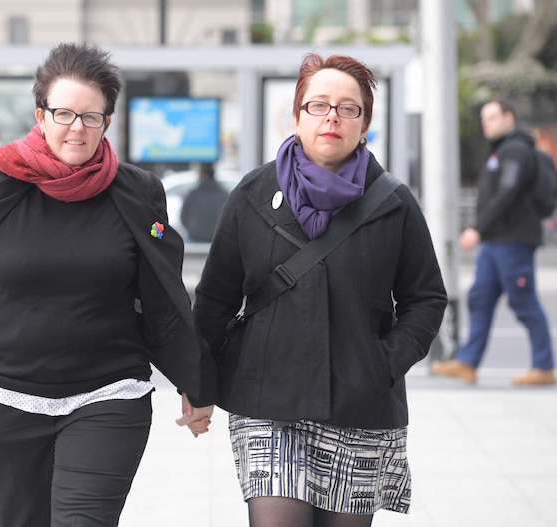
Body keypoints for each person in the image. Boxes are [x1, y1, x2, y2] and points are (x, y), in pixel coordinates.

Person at [0, 43, 216, 527]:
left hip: (109, 395)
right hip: (5, 398)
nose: (77, 127)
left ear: (107, 123)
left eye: (92, 117)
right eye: (64, 113)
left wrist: (193, 379)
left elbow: (161, 296)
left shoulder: (138, 192)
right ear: (40, 115)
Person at [188, 53, 447, 527]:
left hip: (360, 403)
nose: (332, 116)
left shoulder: (392, 201)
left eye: (348, 108)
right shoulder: (251, 193)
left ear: (365, 123)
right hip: (266, 402)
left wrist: (383, 363)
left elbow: (426, 298)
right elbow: (215, 299)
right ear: (296, 116)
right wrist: (198, 383)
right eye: (318, 105)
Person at [432, 99, 556, 386]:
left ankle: (544, 366)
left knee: (523, 302)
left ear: (509, 117)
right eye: (484, 118)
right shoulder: (502, 150)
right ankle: (467, 362)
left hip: (512, 240)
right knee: (480, 298)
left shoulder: (515, 151)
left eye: (492, 117)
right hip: (494, 241)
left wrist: (477, 228)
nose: (486, 122)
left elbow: (508, 192)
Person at [180, 163, 230, 242]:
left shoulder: (193, 194)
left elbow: (184, 218)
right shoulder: (224, 195)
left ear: (203, 175)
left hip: (195, 237)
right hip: (217, 240)